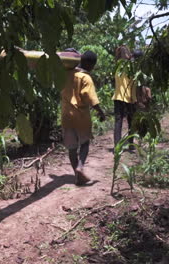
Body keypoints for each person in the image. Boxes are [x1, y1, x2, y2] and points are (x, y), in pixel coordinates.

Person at [61, 50, 106, 185]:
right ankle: (80, 167)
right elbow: (91, 98)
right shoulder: (85, 78)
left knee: (72, 147)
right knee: (85, 143)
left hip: (66, 115)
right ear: (91, 64)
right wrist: (101, 112)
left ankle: (77, 174)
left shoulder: (66, 74)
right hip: (81, 116)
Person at [112, 46, 144, 149]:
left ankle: (117, 146)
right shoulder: (132, 67)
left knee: (118, 122)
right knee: (131, 121)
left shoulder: (117, 66)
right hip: (130, 97)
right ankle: (130, 144)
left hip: (118, 97)